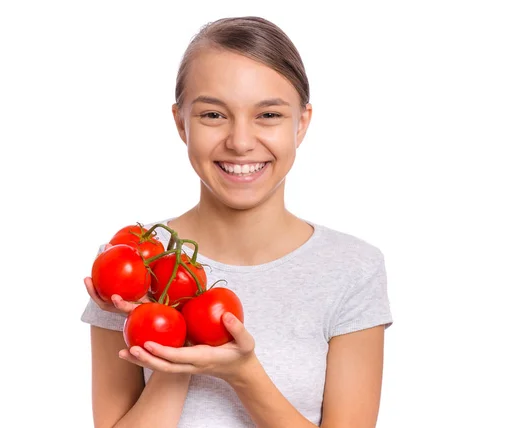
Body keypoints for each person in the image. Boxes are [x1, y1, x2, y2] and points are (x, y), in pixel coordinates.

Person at [81, 16, 393, 428]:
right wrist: (180, 347)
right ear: (181, 123)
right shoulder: (132, 265)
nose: (241, 142)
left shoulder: (352, 270)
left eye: (268, 115)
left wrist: (244, 375)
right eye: (213, 115)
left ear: (301, 123)